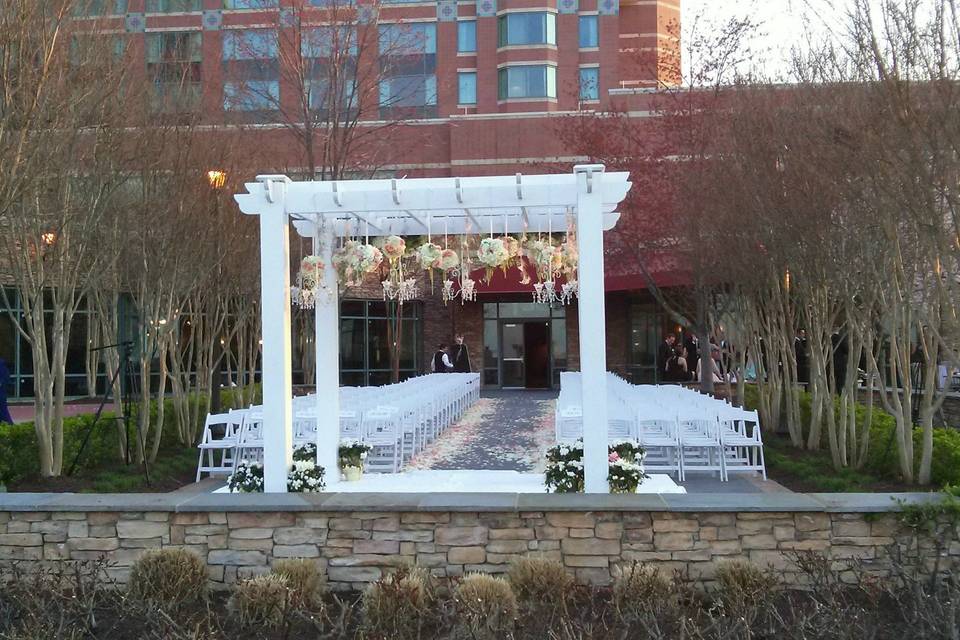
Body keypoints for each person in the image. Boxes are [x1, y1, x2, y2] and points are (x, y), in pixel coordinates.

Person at [0, 358, 12, 424]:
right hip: (2, 392)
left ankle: (10, 425)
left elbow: (4, 379)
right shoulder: (2, 364)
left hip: (1, 392)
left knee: (3, 410)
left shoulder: (1, 364)